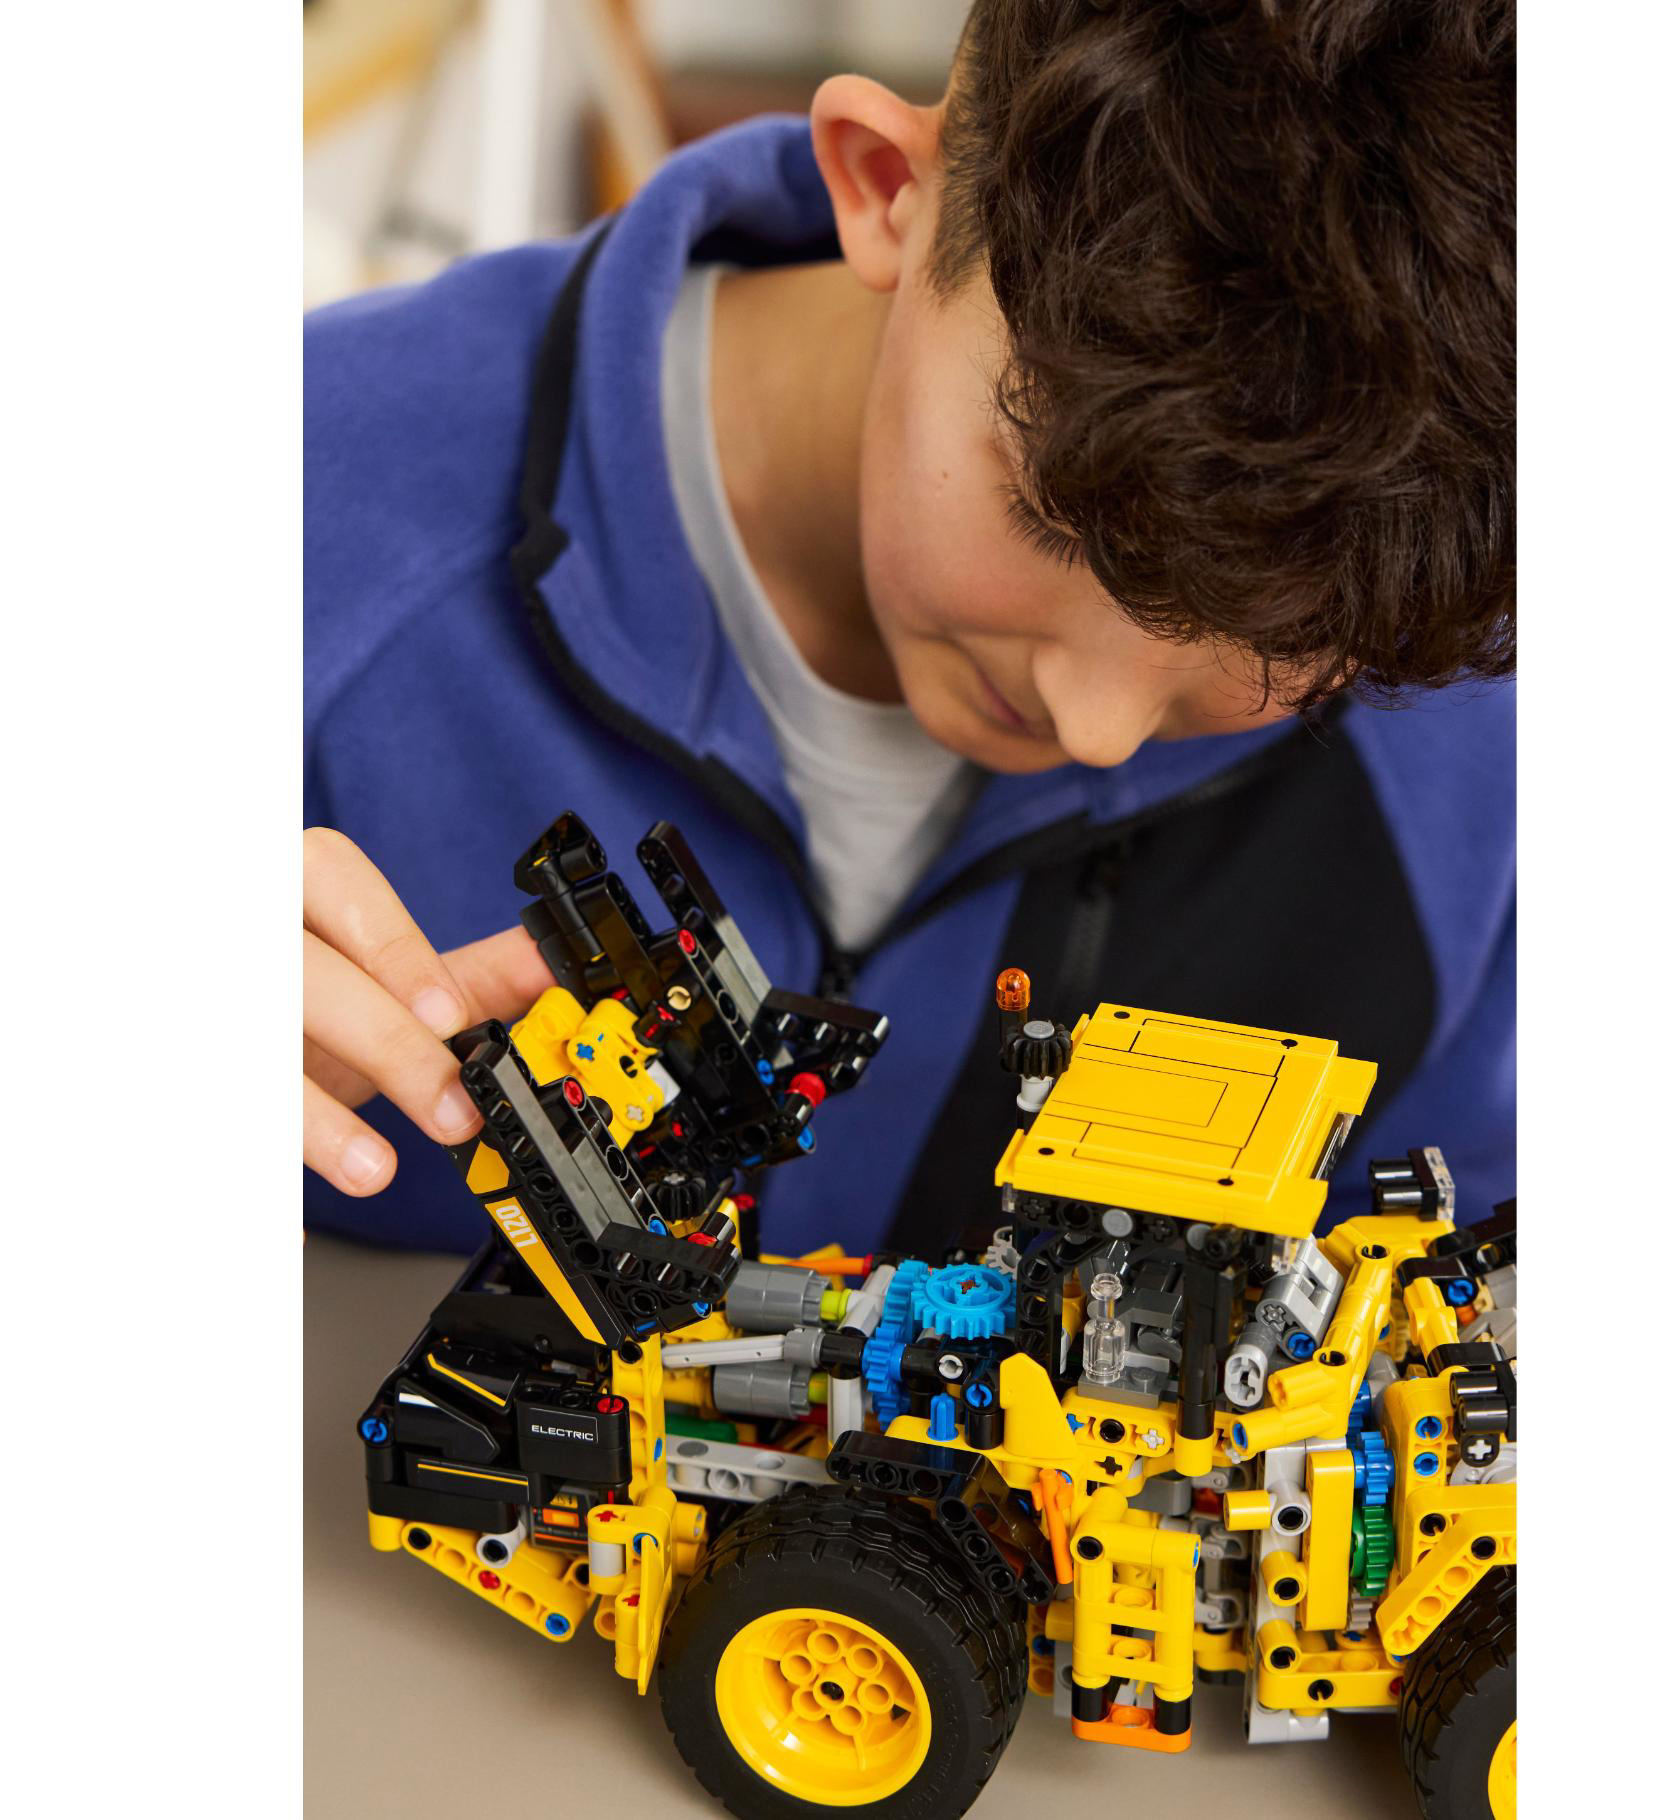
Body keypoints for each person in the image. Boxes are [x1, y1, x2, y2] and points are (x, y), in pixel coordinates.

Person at [304, 0, 1515, 1258]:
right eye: (1052, 520)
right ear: (886, 188)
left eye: (1285, 632)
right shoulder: (303, 521)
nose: (1095, 729)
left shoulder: (1456, 701)